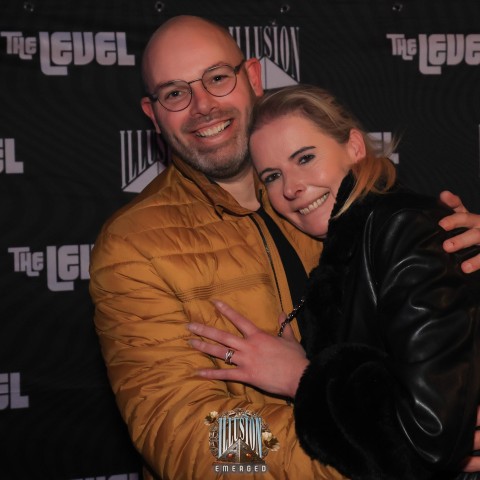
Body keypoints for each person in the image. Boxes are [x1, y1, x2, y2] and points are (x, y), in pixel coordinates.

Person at [89, 15, 480, 480]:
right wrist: (372, 453)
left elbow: (428, 368)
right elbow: (186, 437)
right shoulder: (133, 246)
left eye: (217, 78)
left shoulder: (324, 202)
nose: (203, 106)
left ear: (253, 77)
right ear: (153, 114)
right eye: (175, 93)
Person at [187, 84, 480, 480]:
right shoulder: (344, 247)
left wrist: (299, 378)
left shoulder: (398, 229)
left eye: (305, 158)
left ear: (354, 147)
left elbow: (427, 437)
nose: (291, 187)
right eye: (272, 176)